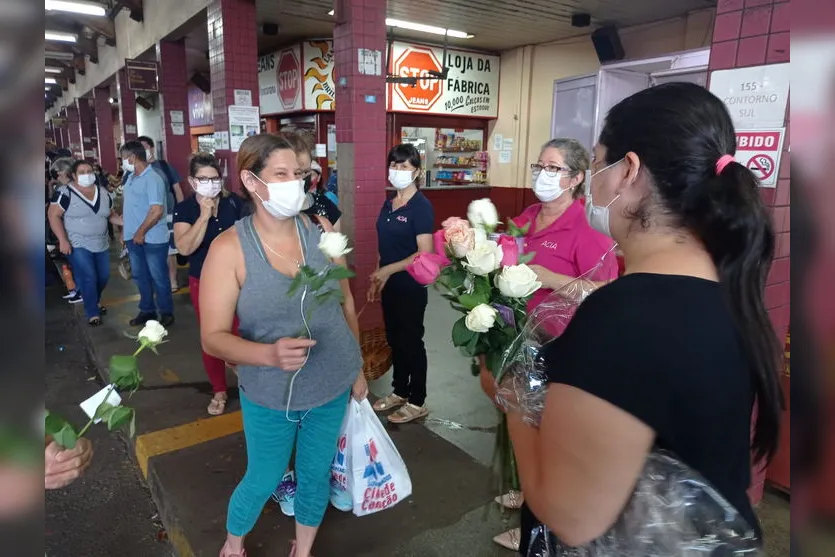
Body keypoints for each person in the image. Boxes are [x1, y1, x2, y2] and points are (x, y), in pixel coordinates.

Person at [499, 82, 783, 554]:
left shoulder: (624, 316)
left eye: (596, 165)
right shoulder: (730, 292)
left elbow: (571, 517)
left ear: (628, 170)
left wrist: (514, 402)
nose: (593, 184)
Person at [199, 134, 367, 557]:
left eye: (299, 173)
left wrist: (357, 369)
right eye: (282, 174)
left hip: (331, 382)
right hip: (270, 393)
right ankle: (233, 543)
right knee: (264, 476)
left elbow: (345, 302)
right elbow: (212, 337)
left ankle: (303, 548)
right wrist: (268, 355)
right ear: (251, 181)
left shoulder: (322, 231)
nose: (296, 183)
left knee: (315, 474)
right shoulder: (229, 249)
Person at [484, 138, 618, 551]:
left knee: (549, 438)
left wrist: (550, 278)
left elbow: (607, 294)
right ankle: (526, 491)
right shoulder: (524, 219)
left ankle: (538, 526)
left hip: (560, 349)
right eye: (540, 166)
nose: (543, 174)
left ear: (576, 179)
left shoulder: (588, 230)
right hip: (517, 341)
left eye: (554, 168)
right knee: (519, 423)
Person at [173, 153, 245, 415]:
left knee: (243, 331)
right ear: (192, 181)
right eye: (203, 179)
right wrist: (204, 216)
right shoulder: (185, 209)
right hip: (204, 282)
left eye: (214, 178)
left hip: (239, 279)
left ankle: (247, 379)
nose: (210, 184)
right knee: (213, 336)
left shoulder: (234, 203)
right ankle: (219, 390)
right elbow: (184, 247)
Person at [369, 143, 435, 424]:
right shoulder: (389, 203)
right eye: (394, 165)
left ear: (416, 171)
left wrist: (388, 270)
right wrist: (378, 275)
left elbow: (424, 252)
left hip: (410, 285)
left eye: (404, 166)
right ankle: (399, 391)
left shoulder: (420, 207)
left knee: (411, 341)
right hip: (390, 284)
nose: (397, 170)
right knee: (395, 339)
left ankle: (417, 400)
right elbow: (383, 246)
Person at [47, 159, 121, 326]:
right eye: (82, 172)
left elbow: (110, 214)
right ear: (73, 175)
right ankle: (92, 312)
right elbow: (53, 215)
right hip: (77, 242)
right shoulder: (65, 193)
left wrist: (125, 223)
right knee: (89, 276)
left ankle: (94, 299)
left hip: (101, 243)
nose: (87, 175)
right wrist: (62, 240)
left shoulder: (103, 192)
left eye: (89, 171)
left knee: (103, 276)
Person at [120, 140, 175, 327]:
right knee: (140, 276)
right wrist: (126, 232)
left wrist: (140, 232)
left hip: (152, 238)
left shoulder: (153, 178)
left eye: (123, 158)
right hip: (133, 237)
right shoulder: (130, 178)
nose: (122, 162)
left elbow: (157, 210)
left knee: (158, 276)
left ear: (132, 157)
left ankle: (166, 312)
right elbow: (129, 208)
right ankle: (147, 310)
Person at [137, 136, 184, 292]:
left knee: (170, 251)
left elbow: (177, 190)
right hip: (144, 216)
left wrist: (180, 212)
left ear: (151, 148)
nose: (142, 150)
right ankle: (155, 280)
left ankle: (172, 280)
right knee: (149, 248)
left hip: (167, 214)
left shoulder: (164, 166)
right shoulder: (135, 170)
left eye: (144, 147)